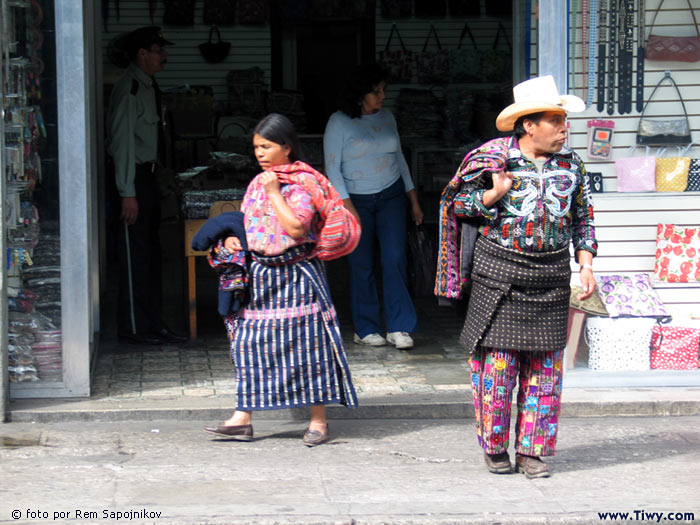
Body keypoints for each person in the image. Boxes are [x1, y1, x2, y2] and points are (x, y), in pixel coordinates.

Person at [435, 76, 598, 478]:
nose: (564, 130)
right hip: (500, 279)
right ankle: (494, 448)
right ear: (529, 125)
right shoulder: (492, 160)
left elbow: (583, 218)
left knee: (545, 373)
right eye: (555, 121)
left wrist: (587, 262)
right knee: (498, 370)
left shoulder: (571, 165)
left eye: (564, 122)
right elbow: (456, 205)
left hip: (551, 278)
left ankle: (532, 452)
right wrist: (493, 194)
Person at [203, 113, 360, 446]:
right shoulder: (258, 182)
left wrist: (275, 191)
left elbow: (295, 228)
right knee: (249, 344)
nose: (259, 153)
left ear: (286, 147)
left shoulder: (300, 183)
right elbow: (253, 224)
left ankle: (318, 421)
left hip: (297, 275)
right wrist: (234, 241)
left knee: (309, 347)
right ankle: (242, 419)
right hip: (261, 277)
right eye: (256, 147)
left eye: (267, 146)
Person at [323, 64, 423, 350]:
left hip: (391, 196)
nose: (382, 96)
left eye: (383, 91)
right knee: (361, 264)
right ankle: (365, 328)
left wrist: (413, 200)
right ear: (359, 94)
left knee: (394, 260)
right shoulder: (339, 122)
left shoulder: (388, 117)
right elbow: (333, 168)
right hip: (356, 200)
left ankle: (399, 326)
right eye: (376, 91)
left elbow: (400, 159)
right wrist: (349, 208)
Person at [107, 26, 186, 345]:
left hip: (148, 177)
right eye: (158, 50)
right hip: (133, 179)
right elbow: (121, 143)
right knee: (134, 256)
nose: (164, 56)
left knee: (153, 254)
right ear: (142, 53)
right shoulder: (129, 89)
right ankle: (134, 327)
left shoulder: (148, 86)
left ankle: (155, 322)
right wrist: (128, 192)